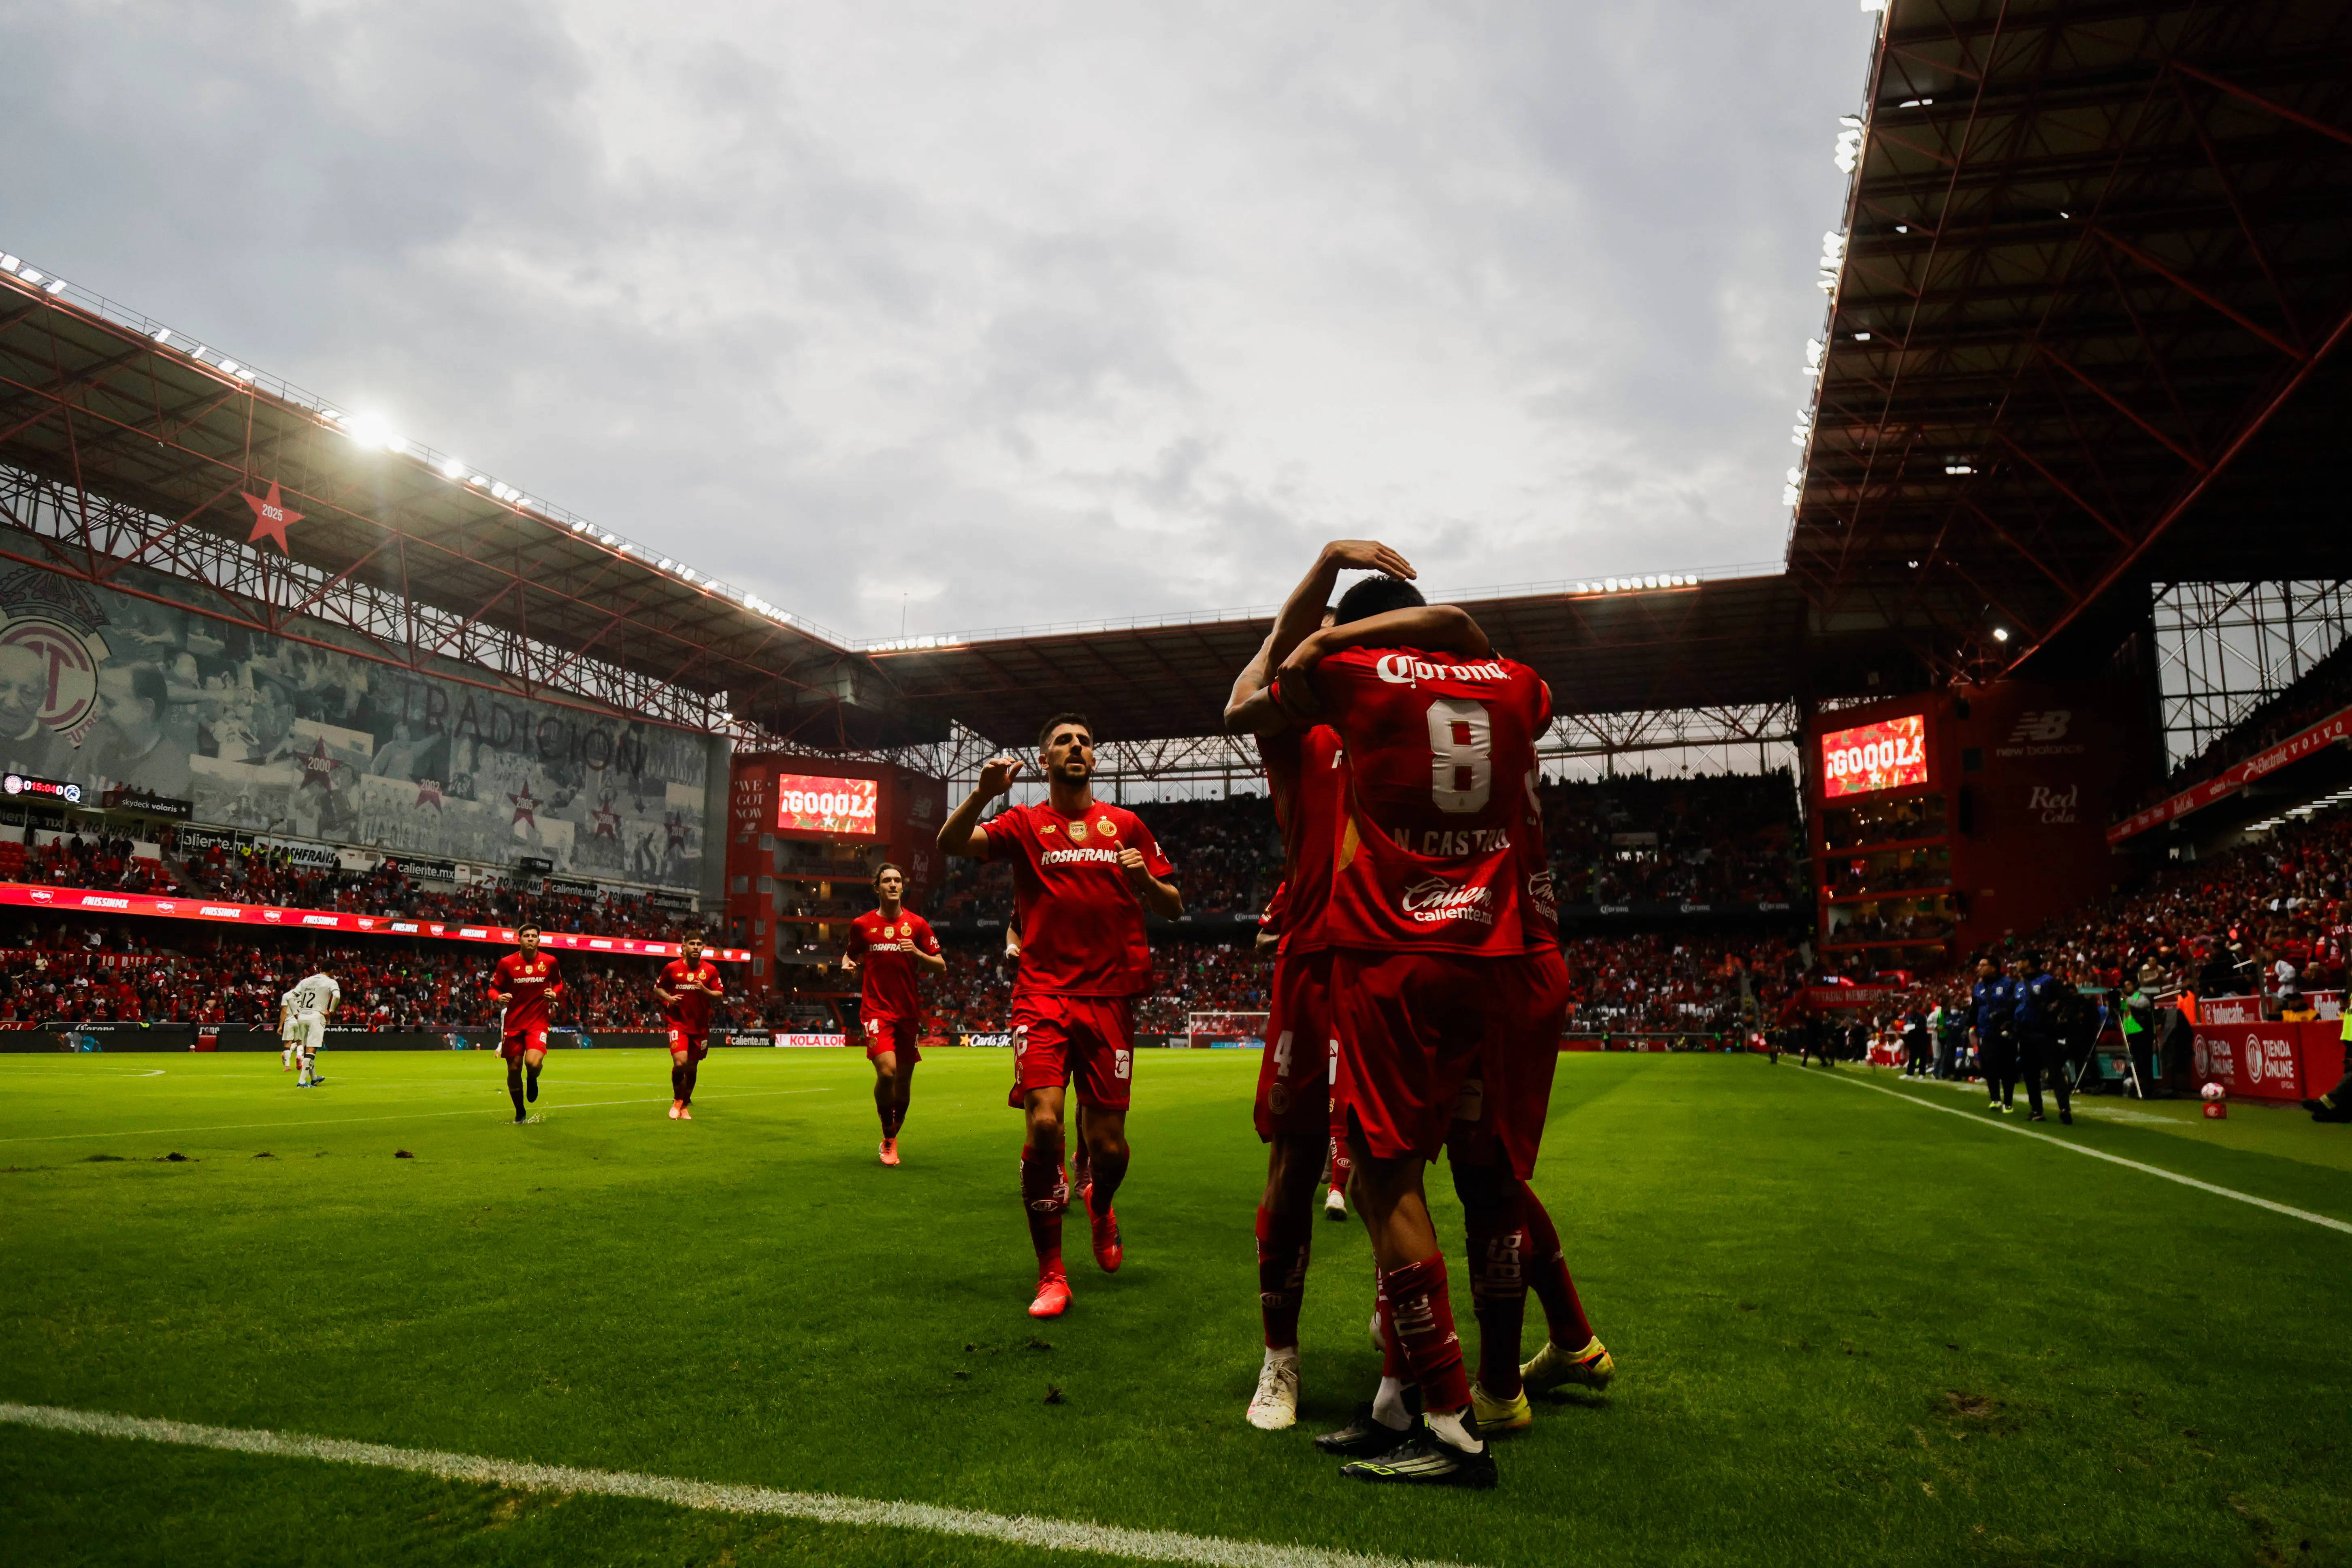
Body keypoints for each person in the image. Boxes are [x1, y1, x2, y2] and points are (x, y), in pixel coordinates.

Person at [1272, 573, 1569, 1488]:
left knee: (1382, 1178)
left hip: (1390, 952)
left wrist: (1327, 636)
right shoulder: (1512, 683)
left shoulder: (1357, 679)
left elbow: (1278, 678)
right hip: (1489, 950)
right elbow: (1482, 647)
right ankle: (1399, 1400)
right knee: (1481, 1183)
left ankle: (1445, 1421)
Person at [1222, 536, 1492, 1430]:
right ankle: (1280, 1363)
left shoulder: (1419, 712)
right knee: (1295, 1166)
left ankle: (1397, 1371)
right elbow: (1239, 700)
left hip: (1399, 957)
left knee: (1395, 1171)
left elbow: (1464, 638)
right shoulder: (1305, 715)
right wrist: (1324, 570)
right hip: (1312, 956)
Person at [935, 713, 1181, 1319]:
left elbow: (1174, 907)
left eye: (1085, 741)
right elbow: (949, 845)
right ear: (1044, 761)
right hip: (1042, 993)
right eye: (1063, 742)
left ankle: (1099, 1202)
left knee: (1112, 1149)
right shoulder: (1023, 823)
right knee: (1044, 1125)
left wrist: (1144, 879)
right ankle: (1052, 1274)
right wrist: (982, 794)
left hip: (1110, 998)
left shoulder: (1126, 825)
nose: (1077, 747)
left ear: (1094, 759)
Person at [839, 863, 944, 1163]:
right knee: (887, 1072)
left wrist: (917, 954)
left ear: (903, 886)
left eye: (898, 880)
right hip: (875, 1011)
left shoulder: (919, 925)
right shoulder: (862, 925)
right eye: (887, 881)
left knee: (903, 1085)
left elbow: (941, 966)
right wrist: (847, 963)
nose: (893, 885)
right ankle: (888, 1135)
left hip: (908, 1014)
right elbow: (851, 952)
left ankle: (893, 1136)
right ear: (877, 888)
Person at [489, 925, 564, 1124]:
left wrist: (555, 993)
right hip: (513, 1024)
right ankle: (520, 1112)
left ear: (539, 940)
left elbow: (559, 983)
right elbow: (493, 989)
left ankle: (532, 1078)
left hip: (537, 1023)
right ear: (519, 940)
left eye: (534, 936)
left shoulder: (550, 962)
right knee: (514, 1071)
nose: (531, 939)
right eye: (527, 936)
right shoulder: (506, 963)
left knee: (533, 1063)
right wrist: (498, 998)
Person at [654, 932, 725, 1121]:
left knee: (692, 1067)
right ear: (684, 947)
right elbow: (657, 988)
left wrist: (705, 990)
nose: (696, 947)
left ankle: (685, 1105)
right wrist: (669, 998)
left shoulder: (710, 970)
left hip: (700, 1026)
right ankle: (677, 1100)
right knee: (680, 1063)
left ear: (703, 948)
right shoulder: (672, 968)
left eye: (699, 944)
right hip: (678, 1023)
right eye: (692, 943)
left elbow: (719, 995)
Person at [2013, 951, 2072, 1124]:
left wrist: (2057, 1012)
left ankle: (2064, 1108)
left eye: (2020, 960)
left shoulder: (2047, 981)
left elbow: (2067, 998)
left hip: (2045, 1033)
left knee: (2054, 1071)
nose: (2017, 965)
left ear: (2028, 962)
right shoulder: (2019, 985)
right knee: (2030, 1074)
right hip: (2025, 1035)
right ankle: (2037, 1110)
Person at [279, 967, 340, 1088]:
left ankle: (314, 1078)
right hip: (316, 1017)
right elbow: (337, 997)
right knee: (312, 1051)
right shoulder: (330, 982)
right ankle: (302, 1081)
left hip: (302, 1017)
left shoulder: (307, 981)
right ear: (332, 970)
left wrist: (296, 1013)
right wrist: (331, 1011)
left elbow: (290, 997)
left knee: (307, 1049)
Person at [1968, 956, 2015, 1113]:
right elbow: (1974, 1009)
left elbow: (2015, 1005)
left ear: (1994, 967)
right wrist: (1970, 1027)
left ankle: (2008, 1101)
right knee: (1989, 1066)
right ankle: (1995, 1098)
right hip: (1986, 1032)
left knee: (2007, 1067)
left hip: (2004, 1032)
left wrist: (2006, 1019)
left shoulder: (2009, 984)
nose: (1979, 968)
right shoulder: (1978, 987)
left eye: (1983, 965)